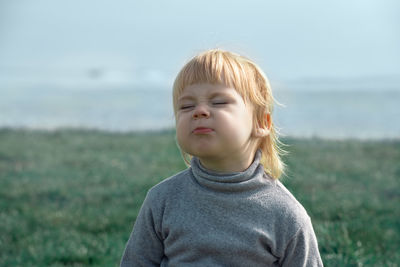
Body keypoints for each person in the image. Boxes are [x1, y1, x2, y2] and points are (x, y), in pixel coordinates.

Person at [120, 49, 323, 266]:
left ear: (261, 123)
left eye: (218, 102)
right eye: (186, 106)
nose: (199, 111)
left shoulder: (285, 214)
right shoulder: (162, 200)